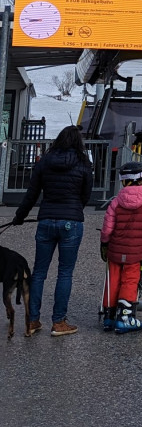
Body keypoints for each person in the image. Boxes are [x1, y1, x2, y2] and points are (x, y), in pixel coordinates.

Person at [12, 124, 94, 336]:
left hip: (46, 220)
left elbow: (31, 194)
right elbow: (86, 194)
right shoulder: (83, 163)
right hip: (71, 222)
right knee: (64, 273)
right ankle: (58, 323)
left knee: (39, 272)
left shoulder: (45, 162)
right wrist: (75, 210)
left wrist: (19, 217)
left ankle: (32, 321)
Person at [99, 160, 142, 334]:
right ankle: (125, 317)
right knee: (130, 280)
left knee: (113, 278)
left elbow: (107, 229)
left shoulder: (116, 201)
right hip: (135, 251)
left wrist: (104, 242)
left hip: (115, 249)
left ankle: (109, 316)